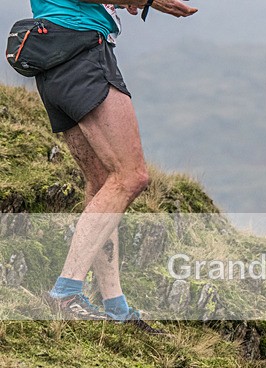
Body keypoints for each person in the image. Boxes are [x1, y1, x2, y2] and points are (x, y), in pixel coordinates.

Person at [31, 0, 196, 329]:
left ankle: (115, 307)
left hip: (52, 57)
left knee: (103, 182)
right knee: (131, 177)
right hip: (82, 51)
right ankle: (65, 293)